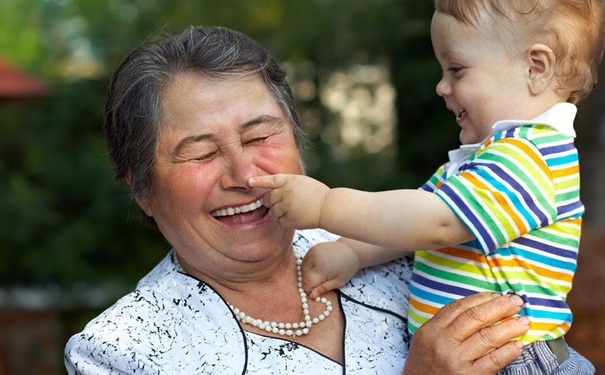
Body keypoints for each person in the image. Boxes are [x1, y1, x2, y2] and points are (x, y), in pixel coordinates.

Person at [63, 25, 534, 374]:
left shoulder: (394, 242)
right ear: (141, 188)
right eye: (202, 153)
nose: (246, 176)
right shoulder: (124, 351)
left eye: (260, 136)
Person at [249, 1, 604, 374]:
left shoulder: (529, 158)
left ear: (536, 67)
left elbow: (434, 224)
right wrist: (352, 253)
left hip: (515, 361)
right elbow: (412, 220)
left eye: (457, 69)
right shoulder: (485, 160)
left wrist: (325, 206)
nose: (441, 86)